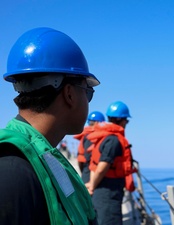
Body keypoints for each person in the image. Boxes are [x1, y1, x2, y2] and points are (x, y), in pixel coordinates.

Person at [0, 27, 99, 225]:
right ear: (69, 94)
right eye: (88, 92)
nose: (88, 100)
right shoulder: (13, 170)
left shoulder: (45, 158)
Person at [86, 101, 136, 225]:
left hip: (104, 189)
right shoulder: (113, 140)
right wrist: (92, 186)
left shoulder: (104, 137)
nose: (126, 123)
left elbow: (94, 163)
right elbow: (102, 166)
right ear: (121, 120)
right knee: (110, 220)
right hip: (108, 192)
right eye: (126, 120)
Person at [74, 111, 105, 183]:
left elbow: (80, 159)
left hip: (86, 172)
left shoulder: (85, 136)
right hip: (95, 174)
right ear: (99, 122)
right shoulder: (102, 137)